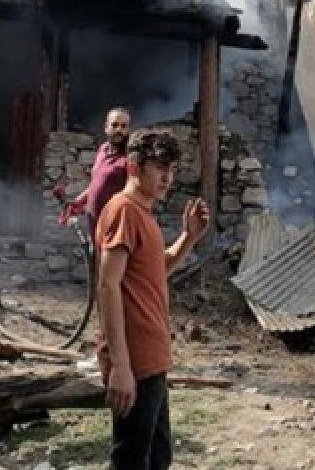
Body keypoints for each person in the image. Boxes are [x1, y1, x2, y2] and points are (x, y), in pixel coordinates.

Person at [96, 129, 210, 470]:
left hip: (151, 360)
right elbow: (107, 285)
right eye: (159, 167)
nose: (167, 177)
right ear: (134, 168)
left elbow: (155, 269)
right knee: (132, 462)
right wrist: (120, 365)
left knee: (158, 459)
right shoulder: (124, 211)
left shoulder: (143, 213)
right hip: (135, 362)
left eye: (171, 169)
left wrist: (189, 237)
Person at [74, 107, 133, 238]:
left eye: (124, 126)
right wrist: (77, 203)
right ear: (106, 127)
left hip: (113, 230)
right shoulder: (103, 149)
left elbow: (132, 197)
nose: (119, 130)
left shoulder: (129, 159)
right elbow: (96, 185)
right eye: (115, 125)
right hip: (93, 225)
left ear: (128, 130)